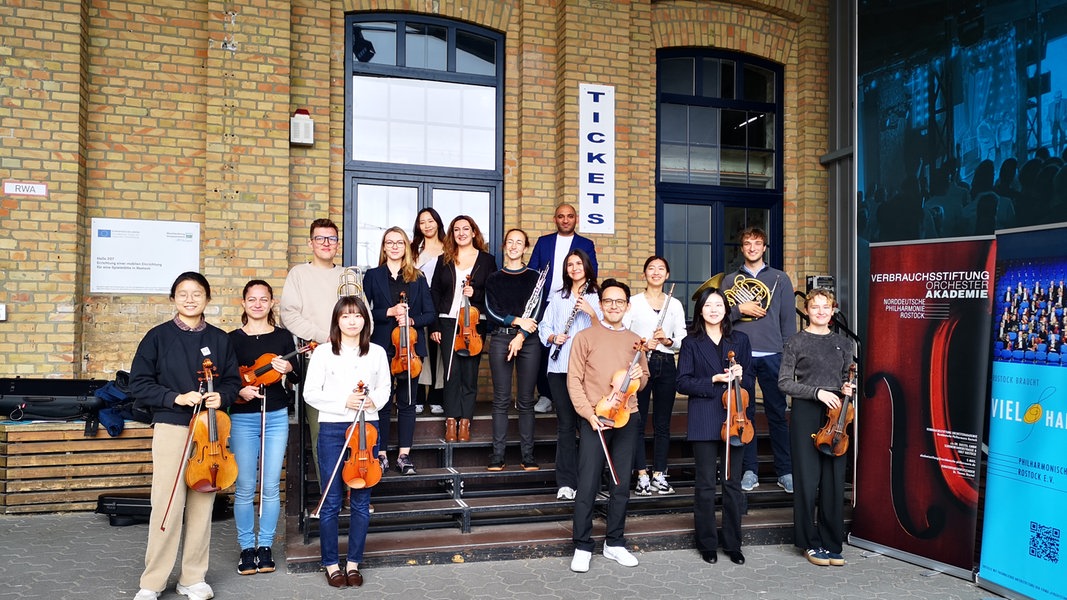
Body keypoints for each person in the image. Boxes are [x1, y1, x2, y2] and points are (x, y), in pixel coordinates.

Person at [130, 272, 241, 600]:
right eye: (183, 293)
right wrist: (175, 398)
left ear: (207, 298)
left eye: (197, 294)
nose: (190, 299)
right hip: (173, 426)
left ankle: (192, 578)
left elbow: (232, 381)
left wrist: (223, 395)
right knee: (166, 504)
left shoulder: (220, 339)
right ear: (173, 298)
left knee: (202, 505)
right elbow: (139, 383)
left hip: (210, 433)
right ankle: (152, 581)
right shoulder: (157, 337)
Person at [303, 295, 391, 588]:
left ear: (365, 320)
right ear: (337, 321)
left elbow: (385, 388)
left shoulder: (377, 352)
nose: (352, 321)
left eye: (357, 316)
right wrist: (345, 400)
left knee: (362, 500)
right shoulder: (324, 353)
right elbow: (310, 393)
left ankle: (353, 563)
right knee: (330, 501)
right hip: (332, 428)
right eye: (345, 316)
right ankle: (330, 563)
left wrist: (370, 401)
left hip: (367, 430)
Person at [566, 278, 649, 573]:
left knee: (621, 483)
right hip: (595, 418)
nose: (614, 306)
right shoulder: (585, 337)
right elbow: (573, 380)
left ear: (627, 306)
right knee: (587, 483)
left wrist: (640, 373)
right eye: (608, 301)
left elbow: (643, 381)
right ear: (600, 306)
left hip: (628, 416)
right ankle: (582, 545)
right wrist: (588, 414)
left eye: (620, 302)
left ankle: (614, 542)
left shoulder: (636, 340)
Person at [778, 288, 855, 567]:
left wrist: (848, 388)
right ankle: (809, 542)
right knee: (807, 479)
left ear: (833, 310)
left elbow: (849, 379)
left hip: (837, 414)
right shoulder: (796, 342)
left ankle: (832, 542)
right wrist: (817, 393)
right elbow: (784, 383)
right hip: (807, 412)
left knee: (834, 479)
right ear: (807, 310)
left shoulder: (844, 344)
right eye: (815, 307)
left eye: (826, 307)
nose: (821, 311)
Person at [676, 286, 753, 566]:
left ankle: (733, 543)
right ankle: (707, 542)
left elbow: (751, 382)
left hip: (736, 420)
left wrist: (742, 376)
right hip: (705, 418)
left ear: (726, 309)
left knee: (732, 484)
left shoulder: (740, 340)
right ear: (700, 310)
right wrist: (713, 380)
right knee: (706, 485)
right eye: (708, 305)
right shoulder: (690, 342)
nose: (713, 309)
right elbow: (682, 382)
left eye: (719, 304)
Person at [228, 280, 298, 576]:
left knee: (270, 485)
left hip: (276, 415)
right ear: (243, 304)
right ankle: (247, 547)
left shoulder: (283, 338)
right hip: (242, 418)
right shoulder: (230, 339)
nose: (258, 304)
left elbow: (296, 380)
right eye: (252, 299)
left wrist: (290, 369)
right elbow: (226, 382)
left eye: (263, 299)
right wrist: (238, 392)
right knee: (244, 486)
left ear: (272, 303)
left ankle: (265, 544)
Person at [728, 227, 796, 493]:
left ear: (765, 248)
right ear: (742, 248)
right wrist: (739, 309)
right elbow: (720, 316)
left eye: (757, 244)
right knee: (745, 415)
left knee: (777, 414)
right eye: (747, 243)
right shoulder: (730, 280)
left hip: (773, 354)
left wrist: (789, 357)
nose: (752, 248)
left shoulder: (780, 278)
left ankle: (785, 471)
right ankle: (750, 470)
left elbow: (788, 321)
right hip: (741, 356)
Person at [363, 226, 435, 475]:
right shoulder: (373, 276)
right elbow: (363, 312)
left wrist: (412, 320)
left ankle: (404, 456)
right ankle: (380, 454)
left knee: (406, 402)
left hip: (410, 350)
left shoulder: (418, 277)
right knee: (381, 403)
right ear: (383, 247)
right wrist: (388, 312)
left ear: (406, 247)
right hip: (381, 347)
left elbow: (430, 314)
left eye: (399, 242)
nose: (394, 246)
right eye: (389, 242)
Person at [279, 218, 345, 473]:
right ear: (311, 242)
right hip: (315, 359)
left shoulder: (347, 275)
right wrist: (325, 336)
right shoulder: (299, 274)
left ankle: (353, 489)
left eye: (332, 238)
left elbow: (364, 316)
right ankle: (329, 494)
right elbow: (290, 315)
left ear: (338, 244)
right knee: (322, 432)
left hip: (347, 359)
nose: (326, 243)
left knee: (352, 427)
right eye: (320, 238)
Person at [537, 249, 601, 499]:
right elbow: (544, 327)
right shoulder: (558, 296)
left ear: (586, 266)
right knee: (565, 425)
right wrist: (554, 337)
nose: (574, 268)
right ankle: (565, 482)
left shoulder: (598, 297)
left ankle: (589, 481)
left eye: (578, 263)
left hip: (588, 371)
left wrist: (591, 312)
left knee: (586, 424)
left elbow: (607, 330)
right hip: (560, 368)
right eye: (570, 264)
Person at [429, 215, 497, 442]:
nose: (461, 233)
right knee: (451, 373)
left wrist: (475, 294)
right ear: (452, 234)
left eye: (465, 229)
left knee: (469, 374)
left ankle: (465, 422)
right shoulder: (444, 259)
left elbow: (493, 293)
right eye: (456, 229)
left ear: (474, 232)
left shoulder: (487, 260)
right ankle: (451, 421)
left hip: (474, 324)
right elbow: (435, 293)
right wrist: (436, 325)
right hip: (448, 321)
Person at [624, 255, 686, 496]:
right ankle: (641, 475)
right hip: (640, 363)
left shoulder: (675, 304)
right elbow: (624, 333)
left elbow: (681, 340)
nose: (656, 272)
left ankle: (660, 474)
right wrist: (641, 343)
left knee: (662, 423)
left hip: (666, 363)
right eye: (651, 268)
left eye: (661, 269)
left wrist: (667, 340)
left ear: (667, 275)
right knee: (637, 420)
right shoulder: (633, 302)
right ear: (644, 274)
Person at [528, 203, 598, 413]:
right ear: (555, 219)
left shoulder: (586, 243)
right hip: (547, 301)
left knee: (576, 345)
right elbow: (533, 270)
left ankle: (578, 394)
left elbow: (591, 270)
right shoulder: (544, 242)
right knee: (545, 347)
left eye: (569, 216)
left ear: (575, 219)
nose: (565, 220)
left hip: (576, 299)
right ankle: (546, 394)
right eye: (561, 216)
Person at [485, 228, 544, 471]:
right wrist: (517, 322)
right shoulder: (494, 278)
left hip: (529, 341)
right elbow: (491, 310)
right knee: (500, 400)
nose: (514, 246)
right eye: (510, 242)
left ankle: (527, 457)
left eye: (519, 242)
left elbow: (538, 311)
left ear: (525, 247)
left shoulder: (535, 277)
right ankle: (498, 456)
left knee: (526, 400)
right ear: (504, 246)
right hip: (500, 339)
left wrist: (521, 335)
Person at [411, 208, 447, 416]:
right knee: (417, 351)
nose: (427, 225)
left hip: (441, 305)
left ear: (438, 222)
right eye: (422, 222)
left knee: (439, 353)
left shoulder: (448, 248)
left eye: (430, 220)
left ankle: (436, 397)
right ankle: (418, 397)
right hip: (418, 306)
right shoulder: (414, 248)